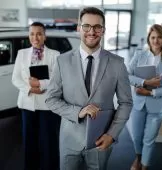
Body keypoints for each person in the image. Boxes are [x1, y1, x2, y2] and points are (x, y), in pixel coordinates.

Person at [45, 7, 132, 170]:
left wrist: (112, 135)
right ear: (79, 28)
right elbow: (51, 99)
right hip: (69, 139)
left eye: (97, 27)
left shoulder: (117, 63)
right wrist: (77, 112)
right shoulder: (62, 61)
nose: (91, 31)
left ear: (103, 30)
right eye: (86, 26)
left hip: (101, 140)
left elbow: (126, 103)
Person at [12, 22, 61, 170]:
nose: (35, 37)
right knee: (29, 143)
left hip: (48, 106)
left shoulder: (55, 54)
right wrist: (30, 88)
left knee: (48, 143)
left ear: (44, 36)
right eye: (32, 34)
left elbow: (57, 80)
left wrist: (41, 85)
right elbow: (16, 78)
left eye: (39, 33)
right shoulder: (22, 54)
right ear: (29, 36)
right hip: (27, 105)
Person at [128, 24, 162, 170]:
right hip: (138, 103)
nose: (156, 41)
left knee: (149, 139)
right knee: (137, 136)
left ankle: (144, 166)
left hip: (157, 106)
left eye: (159, 37)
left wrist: (151, 92)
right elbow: (126, 75)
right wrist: (144, 82)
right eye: (153, 37)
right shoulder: (139, 55)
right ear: (148, 39)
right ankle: (138, 159)